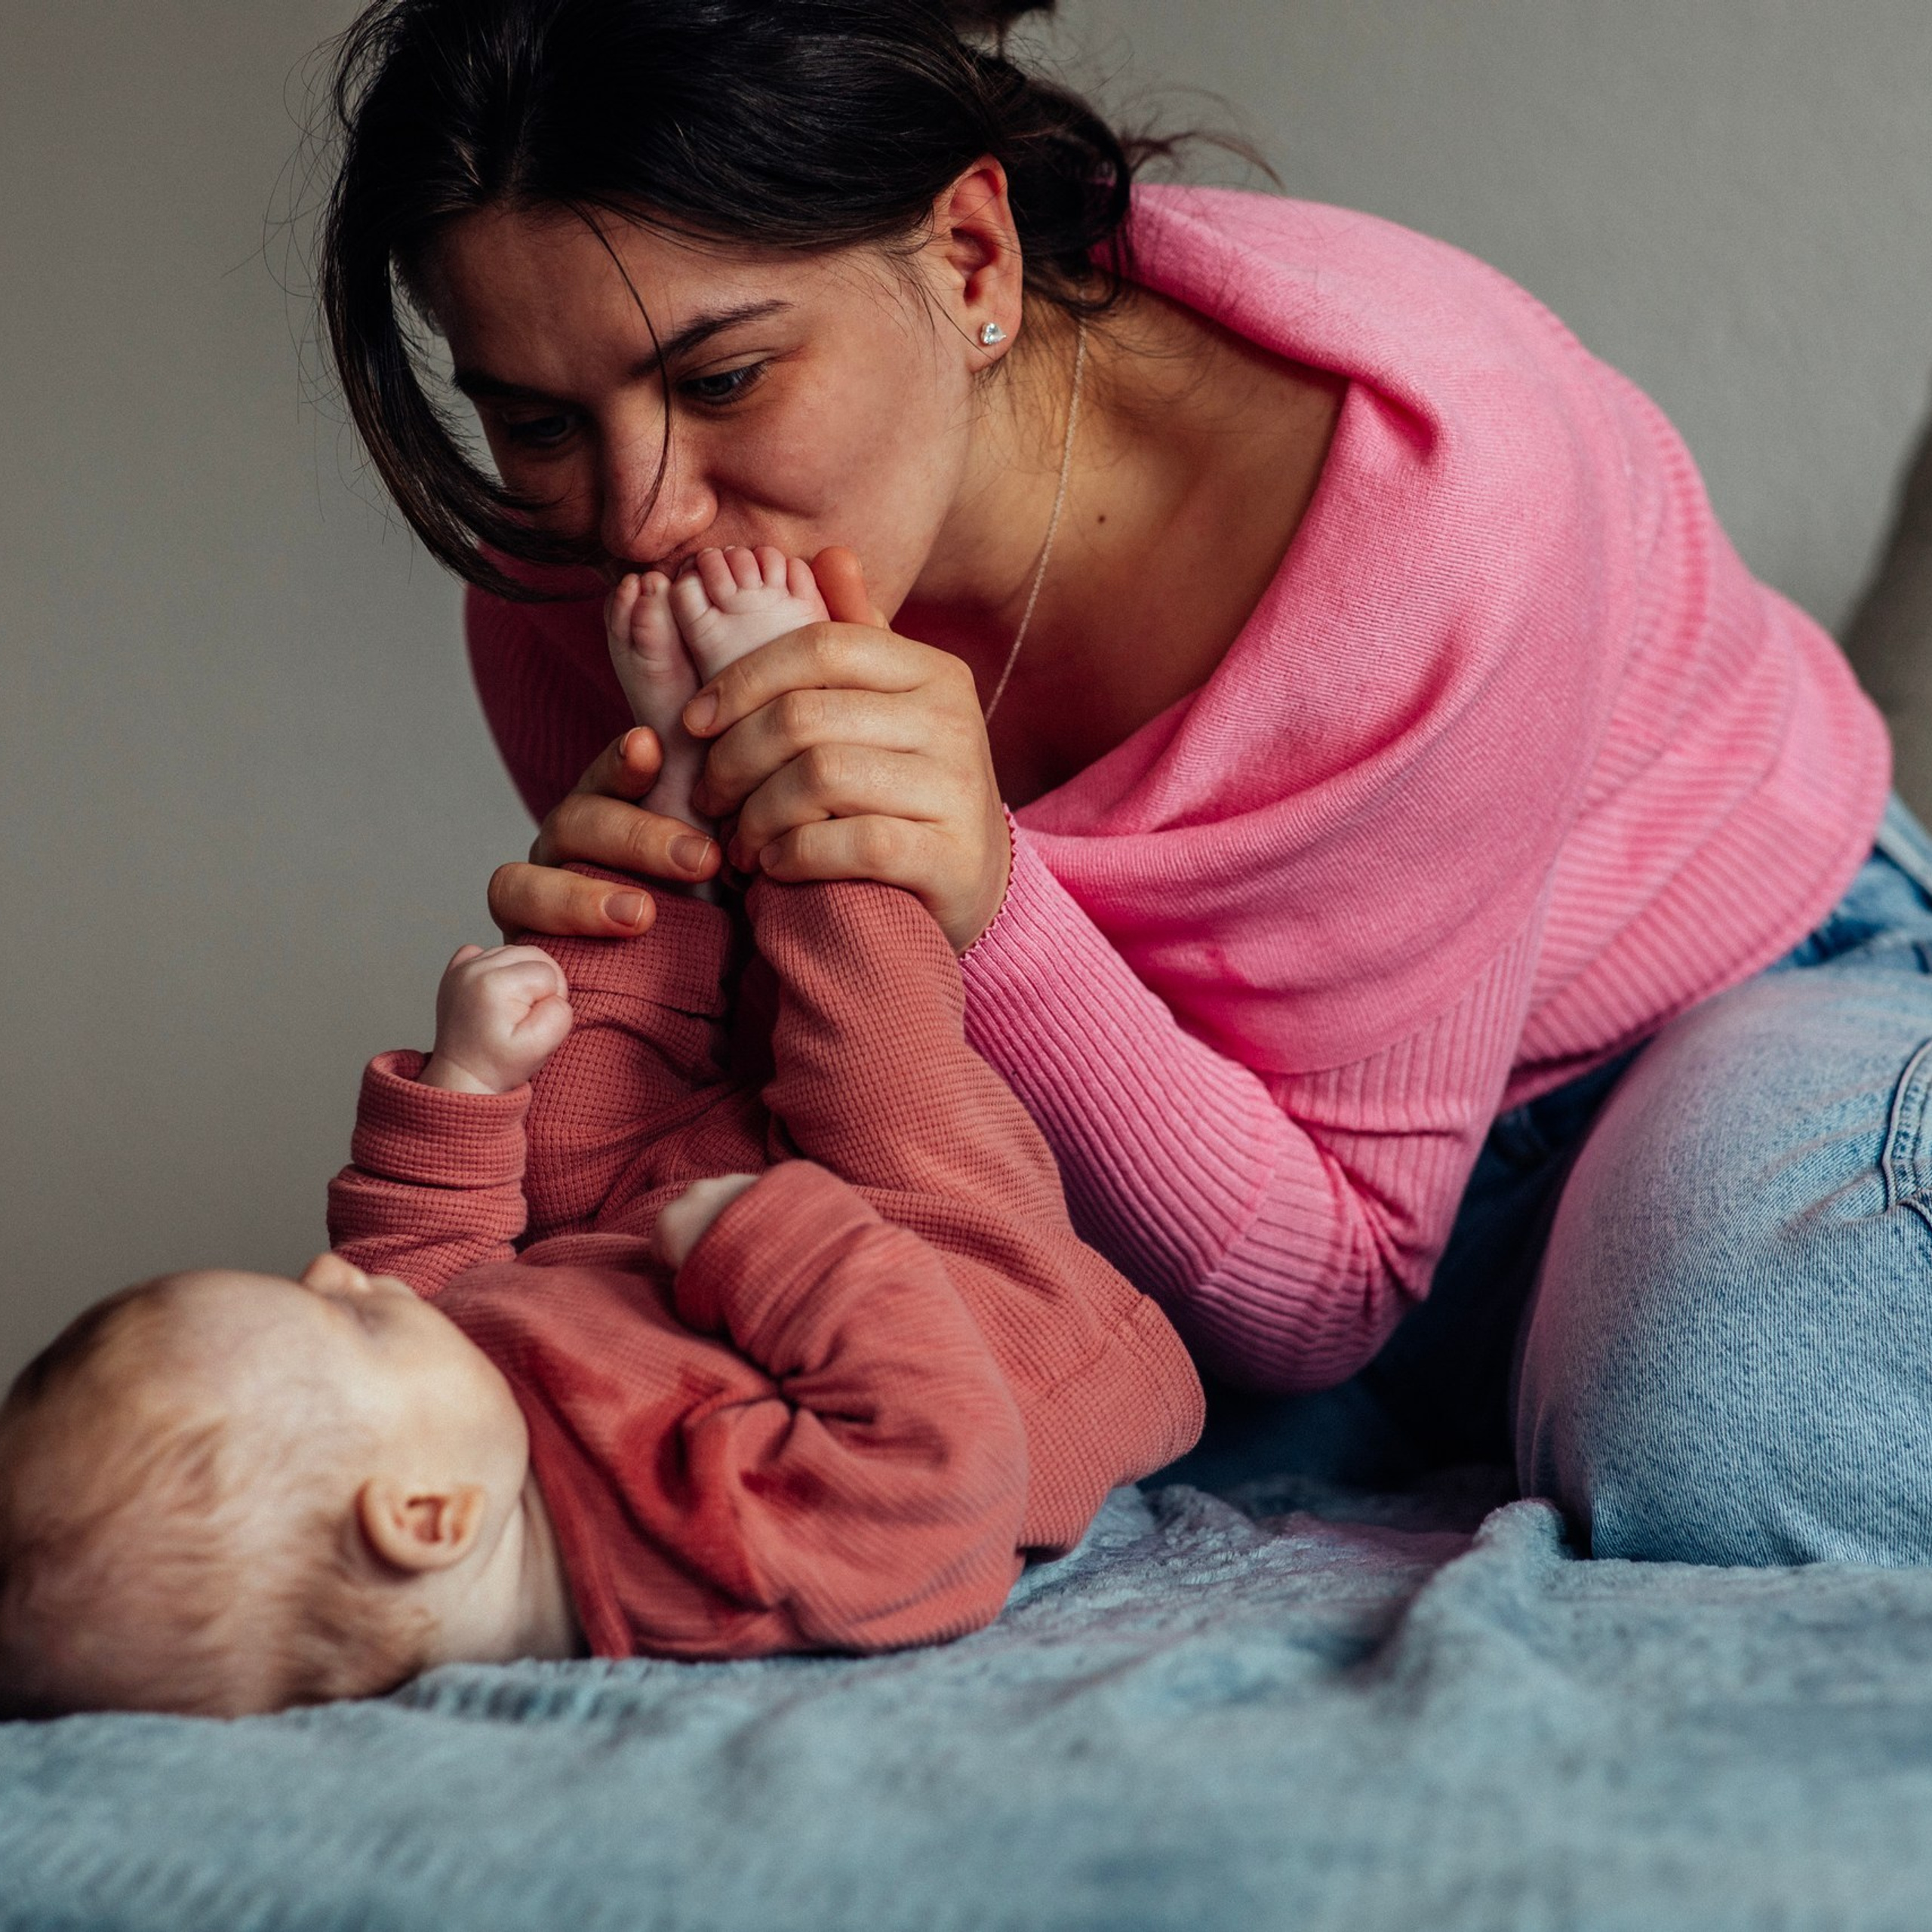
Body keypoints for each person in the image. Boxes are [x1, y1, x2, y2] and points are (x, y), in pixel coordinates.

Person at [316, 0, 1932, 1567]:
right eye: (534, 422)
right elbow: (796, 1121)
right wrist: (642, 955)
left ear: (969, 260)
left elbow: (1335, 1281)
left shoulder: (1429, 482)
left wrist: (989, 900)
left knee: (1737, 1412)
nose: (640, 516)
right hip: (1139, 1216)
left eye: (721, 379)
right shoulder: (562, 594)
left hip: (1676, 1029)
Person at [0, 548, 1201, 1718]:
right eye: (340, 1321)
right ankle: (811, 789)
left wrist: (468, 1085)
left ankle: (673, 828)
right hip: (966, 1298)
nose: (330, 1273)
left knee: (562, 1130)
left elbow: (424, 1260)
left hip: (678, 1242)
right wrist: (773, 1246)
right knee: (874, 1073)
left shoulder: (455, 1428)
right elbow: (944, 1484)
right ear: (426, 1520)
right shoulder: (716, 1559)